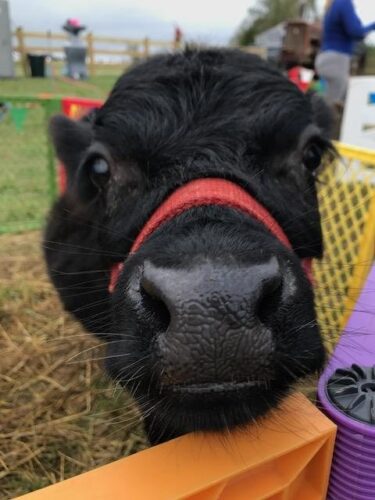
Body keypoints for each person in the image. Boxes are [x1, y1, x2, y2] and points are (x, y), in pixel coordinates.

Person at [315, 0, 375, 105]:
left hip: (325, 58)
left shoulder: (332, 4)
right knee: (334, 106)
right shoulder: (344, 2)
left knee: (330, 101)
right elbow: (356, 32)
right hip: (337, 60)